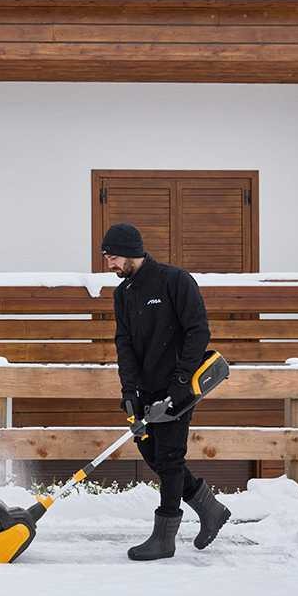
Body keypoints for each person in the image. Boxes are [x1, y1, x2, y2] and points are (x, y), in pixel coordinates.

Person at [102, 223, 231, 560]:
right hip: (144, 391)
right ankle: (211, 509)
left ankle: (164, 537)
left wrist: (179, 384)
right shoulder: (123, 293)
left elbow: (197, 331)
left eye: (113, 257)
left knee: (170, 458)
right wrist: (129, 391)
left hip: (179, 388)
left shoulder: (175, 280)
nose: (109, 265)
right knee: (155, 457)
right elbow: (124, 343)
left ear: (131, 251)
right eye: (107, 258)